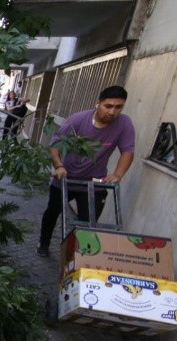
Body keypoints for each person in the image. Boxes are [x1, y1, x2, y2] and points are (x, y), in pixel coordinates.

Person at [36, 85, 135, 257]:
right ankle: (43, 244)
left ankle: (79, 256)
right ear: (98, 103)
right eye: (108, 106)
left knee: (88, 224)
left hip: (94, 183)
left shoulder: (124, 123)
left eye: (118, 107)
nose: (112, 112)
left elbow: (128, 151)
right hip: (66, 178)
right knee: (52, 212)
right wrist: (59, 166)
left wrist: (118, 174)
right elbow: (55, 145)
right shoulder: (78, 120)